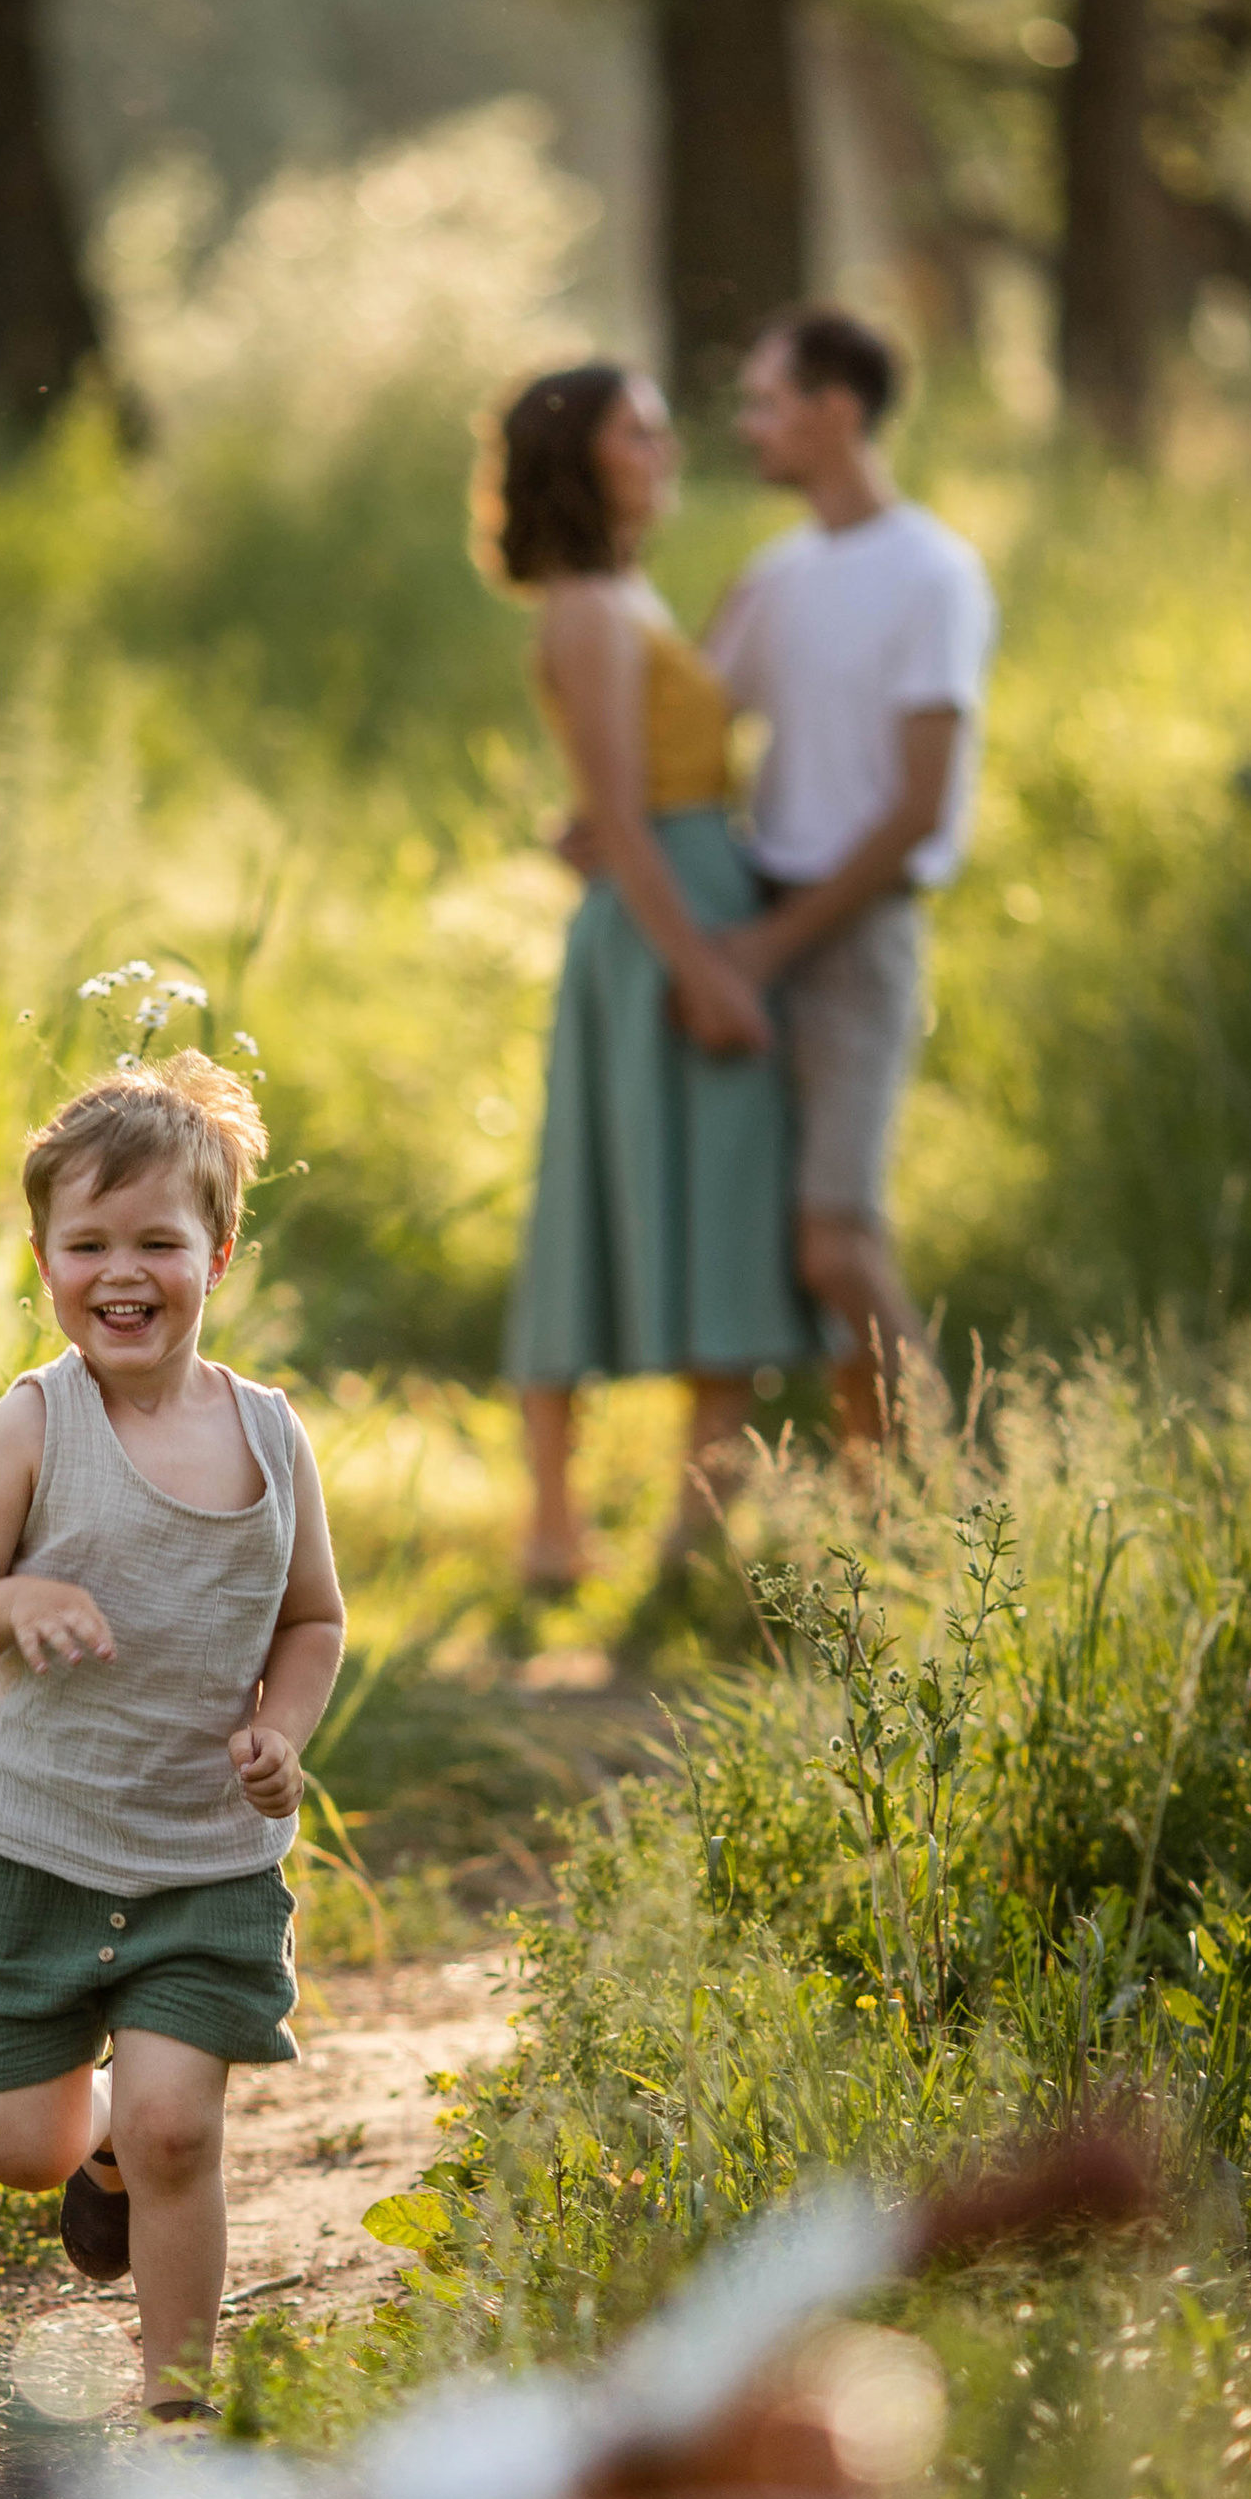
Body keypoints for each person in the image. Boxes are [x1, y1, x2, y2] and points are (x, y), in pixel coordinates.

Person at [0, 1054, 346, 2421]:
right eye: (86, 1243)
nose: (123, 1271)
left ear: (217, 1252)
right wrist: (20, 1599)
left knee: (180, 2126)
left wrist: (282, 1729)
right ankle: (86, 2145)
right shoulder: (35, 1425)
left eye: (157, 1241)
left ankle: (181, 2407)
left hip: (202, 1853)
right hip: (36, 1839)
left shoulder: (271, 1438)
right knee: (21, 2153)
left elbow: (314, 1619)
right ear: (42, 1258)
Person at [482, 362, 819, 1598]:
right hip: (660, 925)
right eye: (640, 427)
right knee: (592, 1198)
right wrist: (710, 974)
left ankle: (698, 1525)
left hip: (689, 893)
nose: (667, 442)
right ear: (583, 456)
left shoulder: (627, 591)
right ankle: (552, 1528)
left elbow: (608, 798)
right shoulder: (584, 605)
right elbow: (619, 815)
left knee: (724, 1199)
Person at [706, 304, 999, 1450]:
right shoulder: (776, 575)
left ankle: (964, 1492)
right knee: (777, 1240)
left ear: (837, 413)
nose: (749, 426)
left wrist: (772, 949)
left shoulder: (934, 573)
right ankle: (871, 1508)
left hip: (853, 934)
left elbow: (918, 806)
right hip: (753, 918)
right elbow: (694, 716)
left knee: (836, 1238)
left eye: (768, 402)